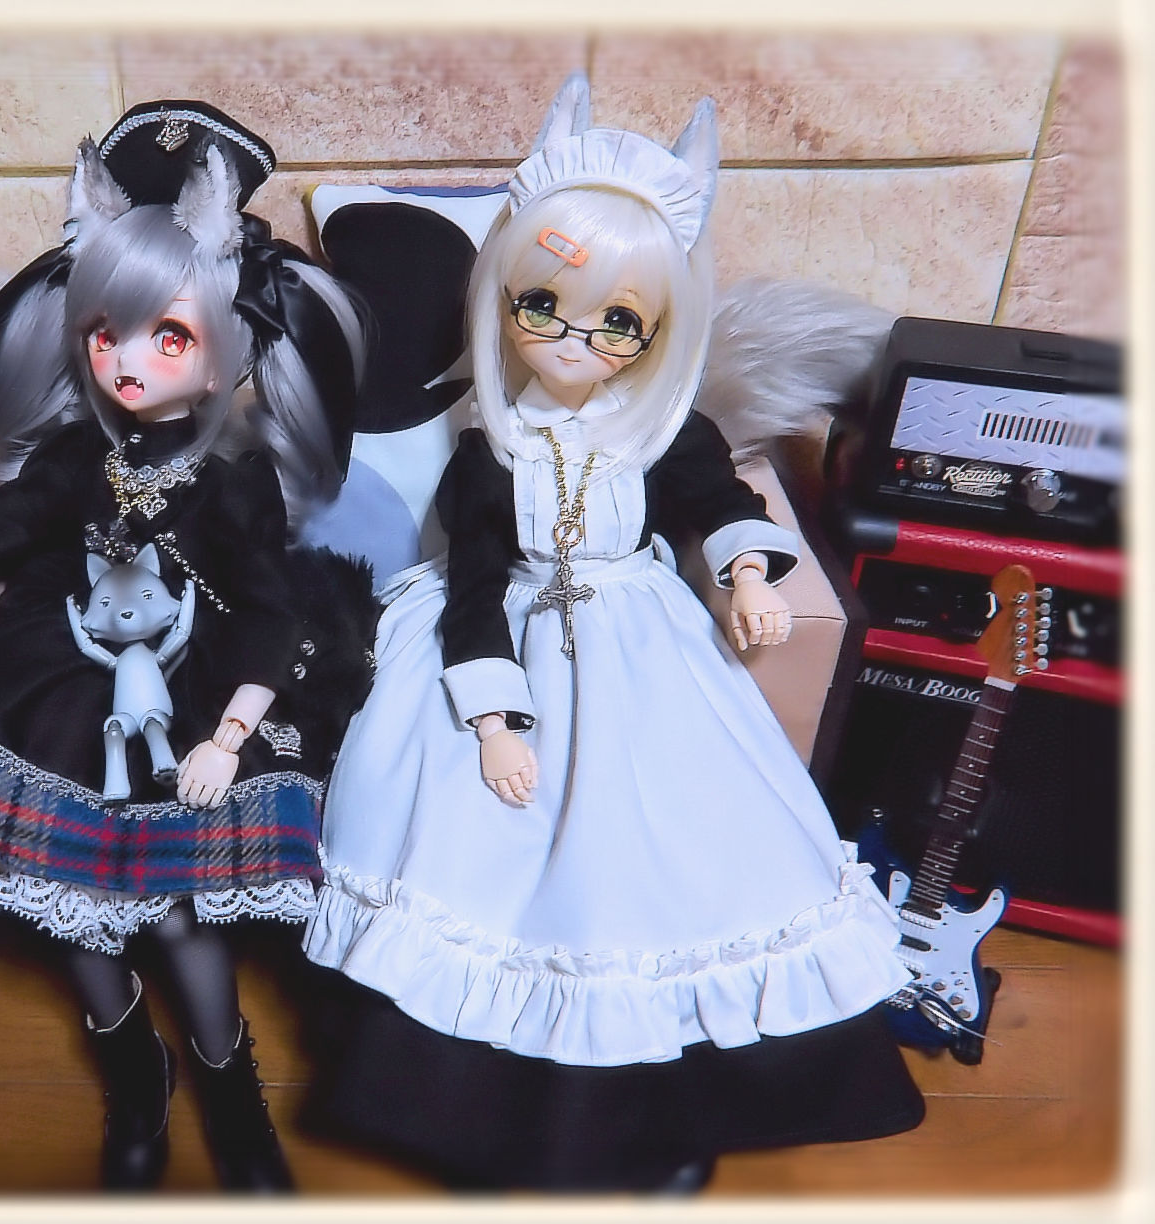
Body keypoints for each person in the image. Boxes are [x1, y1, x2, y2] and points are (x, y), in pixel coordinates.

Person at [302, 75, 924, 1191]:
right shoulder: (489, 450)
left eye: (618, 322)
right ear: (502, 299)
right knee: (482, 859)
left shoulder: (662, 433)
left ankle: (670, 1113)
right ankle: (485, 1122)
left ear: (658, 330)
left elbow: (717, 502)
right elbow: (474, 583)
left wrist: (745, 571)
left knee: (682, 858)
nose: (576, 339)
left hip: (645, 644)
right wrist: (494, 717)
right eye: (542, 306)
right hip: (513, 640)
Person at [0, 103, 371, 1192]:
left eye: (167, 337)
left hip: (196, 687)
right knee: (64, 899)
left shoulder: (235, 481)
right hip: (58, 673)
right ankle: (134, 1075)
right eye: (104, 332)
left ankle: (227, 1082)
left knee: (179, 916)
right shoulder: (79, 455)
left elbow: (269, 609)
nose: (126, 361)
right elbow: (4, 520)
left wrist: (228, 736)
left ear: (220, 359)